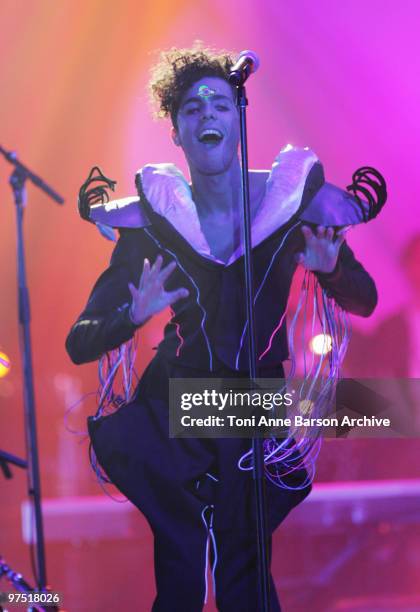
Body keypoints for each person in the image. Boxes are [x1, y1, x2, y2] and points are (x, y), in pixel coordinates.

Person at [66, 44, 378, 612]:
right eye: (191, 108)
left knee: (246, 574)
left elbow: (366, 300)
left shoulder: (290, 209)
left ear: (239, 120)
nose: (207, 113)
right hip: (175, 405)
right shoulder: (154, 223)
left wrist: (332, 272)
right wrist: (131, 316)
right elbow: (80, 339)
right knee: (184, 573)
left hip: (250, 407)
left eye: (219, 103)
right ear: (177, 134)